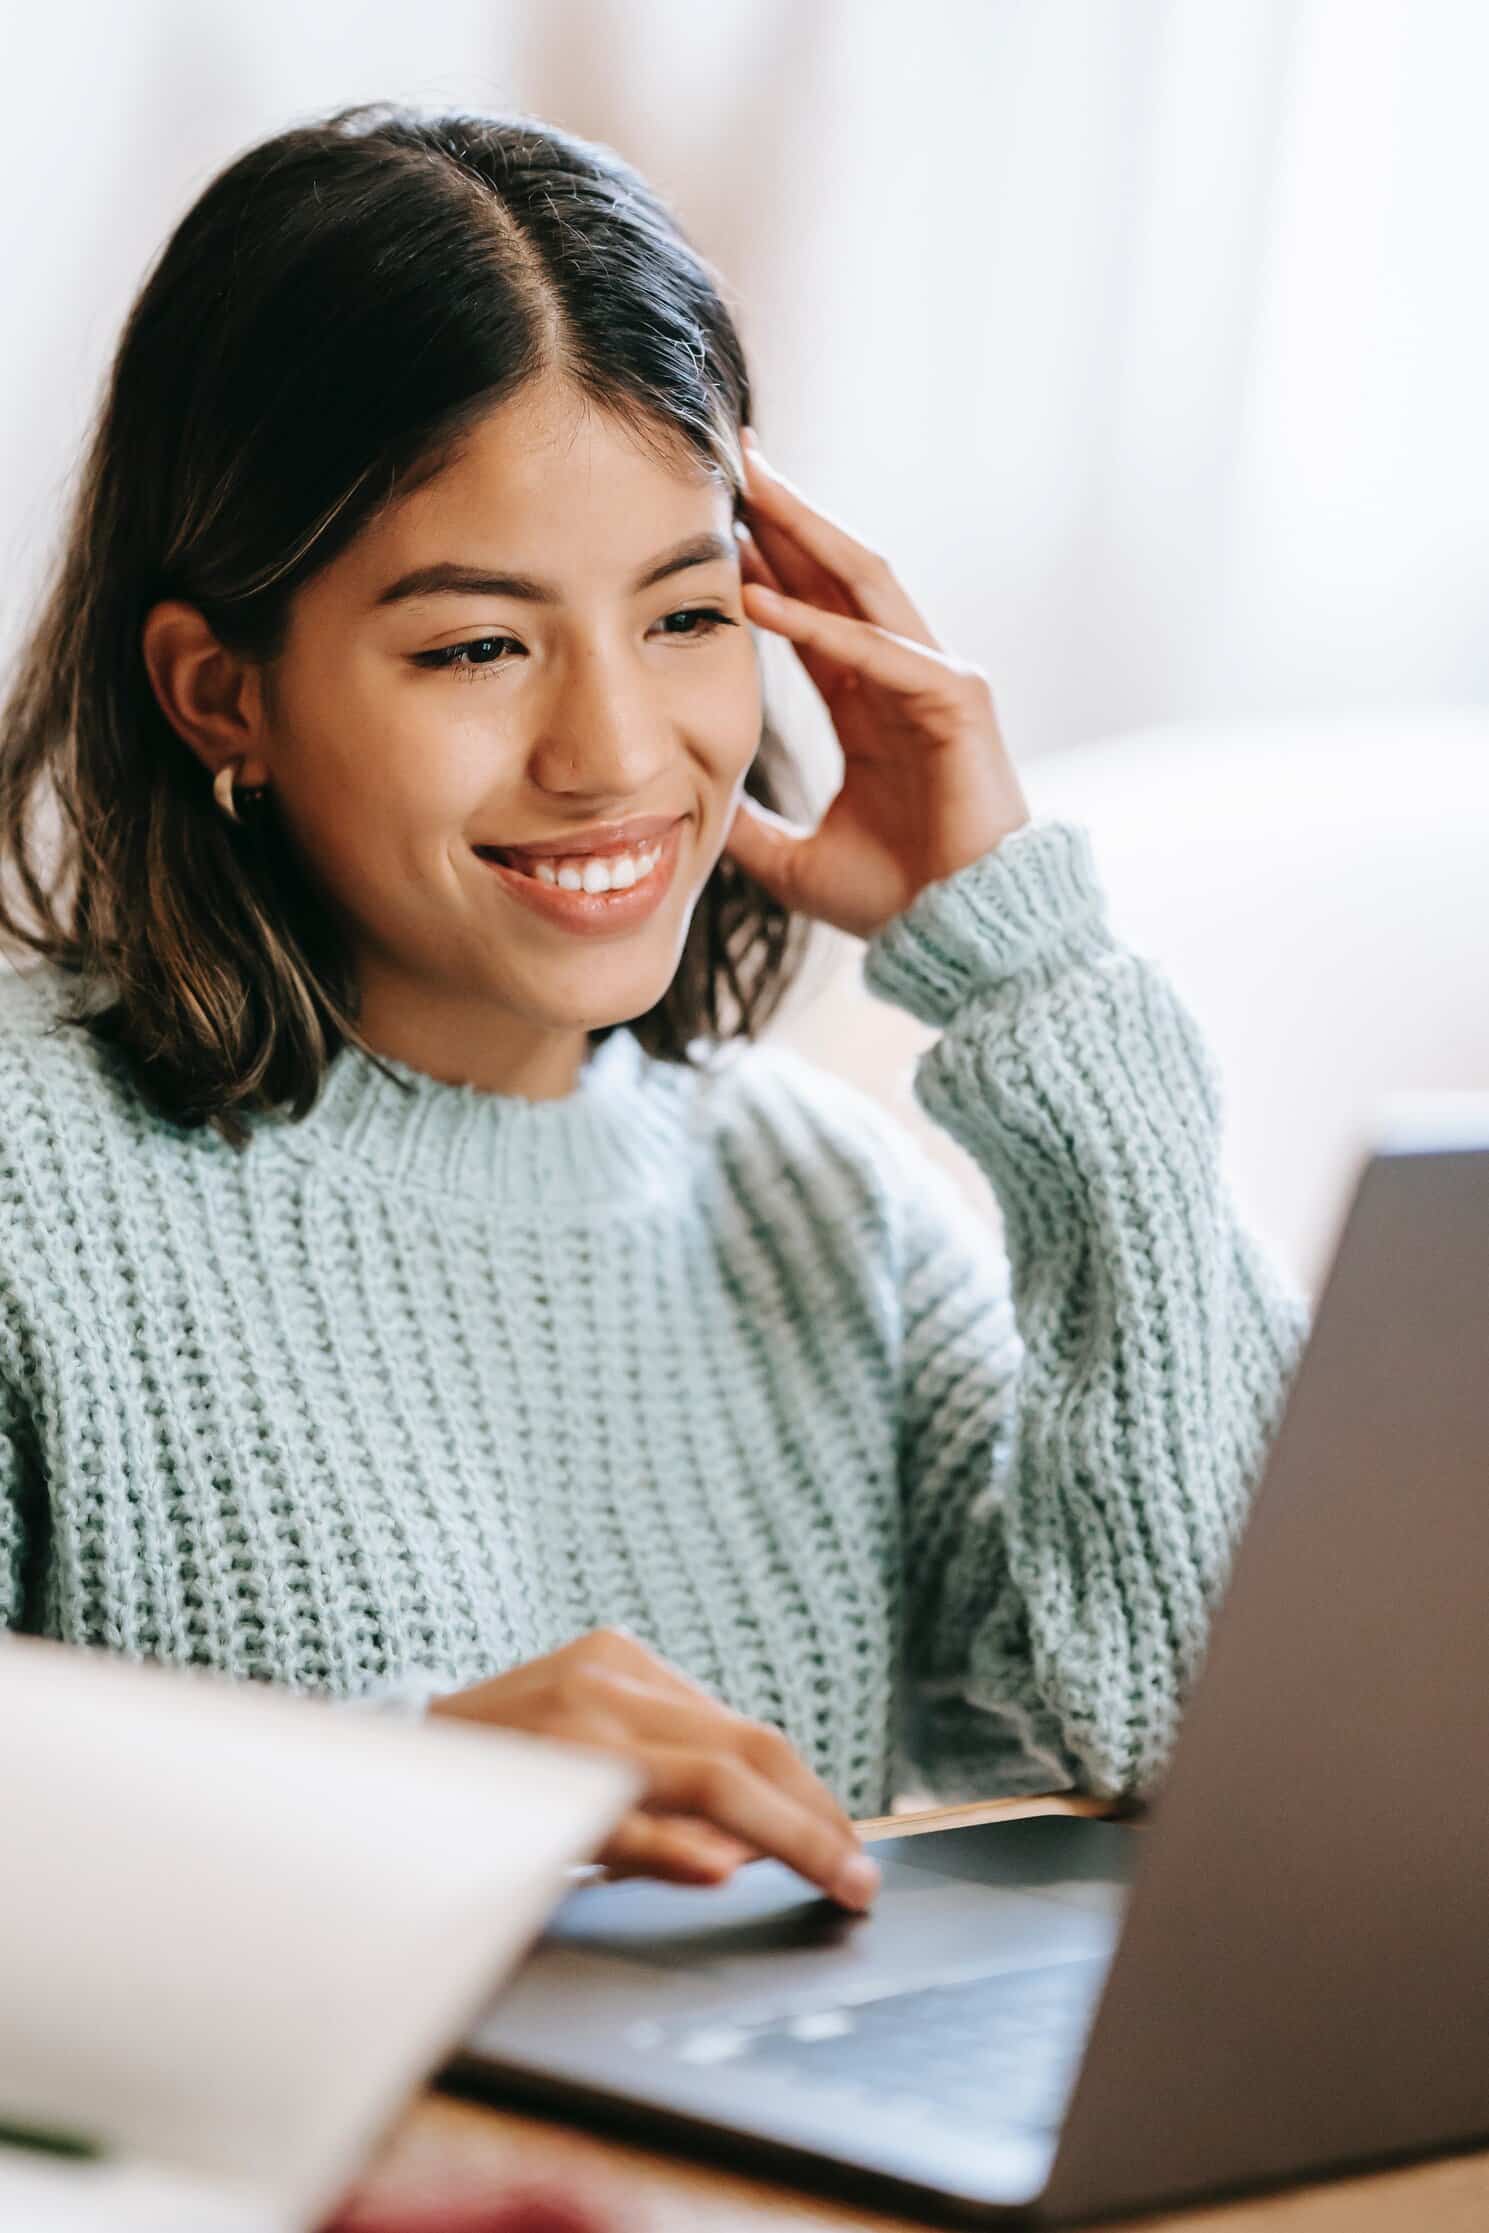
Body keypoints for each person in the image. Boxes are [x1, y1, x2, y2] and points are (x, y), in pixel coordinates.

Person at [0, 101, 1308, 1917]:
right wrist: (391, 1800)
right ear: (220, 692)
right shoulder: (28, 1181)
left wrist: (1034, 970)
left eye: (687, 617)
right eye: (475, 644)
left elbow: (1221, 1755)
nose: (615, 754)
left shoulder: (828, 1218)